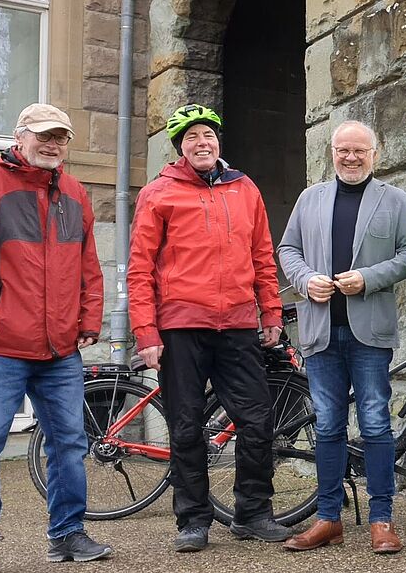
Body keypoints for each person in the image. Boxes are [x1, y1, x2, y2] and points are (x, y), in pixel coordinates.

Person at [0, 103, 113, 573]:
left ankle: (67, 534)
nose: (52, 144)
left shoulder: (75, 192)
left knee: (69, 445)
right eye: (43, 135)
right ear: (20, 137)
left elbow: (88, 267)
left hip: (60, 350)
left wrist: (89, 320)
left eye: (60, 137)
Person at [127, 104, 291, 552]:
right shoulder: (159, 193)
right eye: (192, 137)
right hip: (181, 326)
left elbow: (262, 255)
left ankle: (253, 513)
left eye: (209, 135)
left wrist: (271, 312)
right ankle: (193, 521)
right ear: (180, 146)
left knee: (258, 419)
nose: (203, 142)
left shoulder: (245, 188)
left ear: (219, 142)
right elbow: (139, 267)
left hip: (237, 323)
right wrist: (146, 331)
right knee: (185, 426)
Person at [277, 121, 406, 554]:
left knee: (375, 423)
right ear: (332, 152)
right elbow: (287, 250)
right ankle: (328, 519)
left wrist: (369, 278)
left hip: (369, 333)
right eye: (343, 150)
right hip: (320, 330)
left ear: (376, 153)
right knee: (329, 425)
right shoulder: (310, 198)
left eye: (360, 150)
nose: (351, 157)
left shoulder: (394, 200)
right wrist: (303, 280)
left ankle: (381, 519)